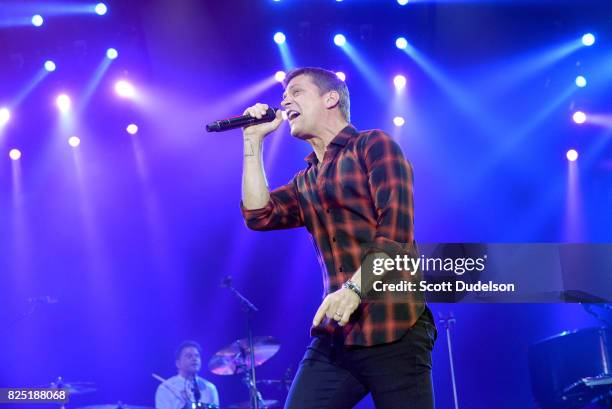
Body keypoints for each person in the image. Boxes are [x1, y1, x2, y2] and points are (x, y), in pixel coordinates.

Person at [240, 67, 437, 409]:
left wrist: (355, 289)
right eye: (285, 95)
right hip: (339, 335)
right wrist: (252, 141)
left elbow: (396, 233)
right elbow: (259, 215)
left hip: (396, 327)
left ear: (330, 98)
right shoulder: (306, 181)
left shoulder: (373, 146)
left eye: (297, 92)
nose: (284, 100)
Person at [155, 340, 219, 409]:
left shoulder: (210, 388)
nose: (194, 359)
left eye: (197, 356)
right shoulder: (166, 388)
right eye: (189, 356)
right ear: (178, 363)